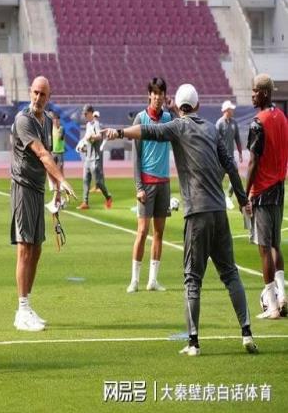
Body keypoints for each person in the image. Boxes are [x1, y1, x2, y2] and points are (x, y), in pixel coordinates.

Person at [104, 83, 258, 356]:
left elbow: (147, 131)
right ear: (197, 105)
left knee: (192, 279)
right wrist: (243, 199)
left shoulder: (177, 127)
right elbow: (231, 166)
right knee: (230, 274)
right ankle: (246, 333)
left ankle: (193, 342)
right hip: (219, 212)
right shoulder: (211, 128)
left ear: (179, 106)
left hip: (196, 214)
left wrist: (119, 132)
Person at [11, 76, 76, 332]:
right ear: (30, 92)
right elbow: (41, 153)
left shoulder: (47, 120)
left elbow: (47, 158)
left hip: (38, 189)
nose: (38, 98)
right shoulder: (23, 120)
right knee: (25, 249)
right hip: (23, 188)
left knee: (36, 249)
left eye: (43, 94)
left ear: (49, 97)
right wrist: (63, 180)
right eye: (35, 93)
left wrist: (55, 190)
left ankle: (26, 306)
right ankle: (21, 310)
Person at [245, 73, 288, 319]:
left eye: (254, 91)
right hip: (280, 188)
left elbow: (253, 162)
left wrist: (245, 193)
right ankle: (282, 296)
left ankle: (271, 305)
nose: (252, 95)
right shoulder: (282, 117)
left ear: (263, 93)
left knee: (263, 248)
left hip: (262, 191)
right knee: (275, 246)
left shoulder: (257, 123)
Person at [127, 78, 172, 293]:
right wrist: (138, 187)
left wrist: (174, 109)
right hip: (146, 183)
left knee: (159, 233)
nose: (157, 97)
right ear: (149, 95)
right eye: (154, 94)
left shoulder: (169, 118)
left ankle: (153, 280)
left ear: (164, 96)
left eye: (160, 94)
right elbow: (136, 156)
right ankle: (134, 280)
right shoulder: (141, 118)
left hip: (164, 183)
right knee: (142, 231)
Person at [76, 105, 112, 210]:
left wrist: (91, 137)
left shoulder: (96, 124)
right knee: (85, 180)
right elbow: (87, 140)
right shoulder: (88, 125)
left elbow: (100, 136)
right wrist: (83, 146)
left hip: (95, 158)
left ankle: (108, 197)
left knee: (98, 182)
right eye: (84, 113)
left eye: (86, 113)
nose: (84, 115)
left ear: (91, 113)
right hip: (88, 157)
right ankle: (85, 202)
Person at [216, 100, 243, 209]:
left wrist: (240, 153)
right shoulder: (219, 123)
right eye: (231, 109)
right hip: (221, 159)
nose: (233, 111)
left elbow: (237, 138)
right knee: (217, 180)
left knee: (235, 178)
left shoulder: (234, 123)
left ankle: (228, 196)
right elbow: (215, 141)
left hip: (231, 158)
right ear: (226, 110)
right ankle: (219, 199)